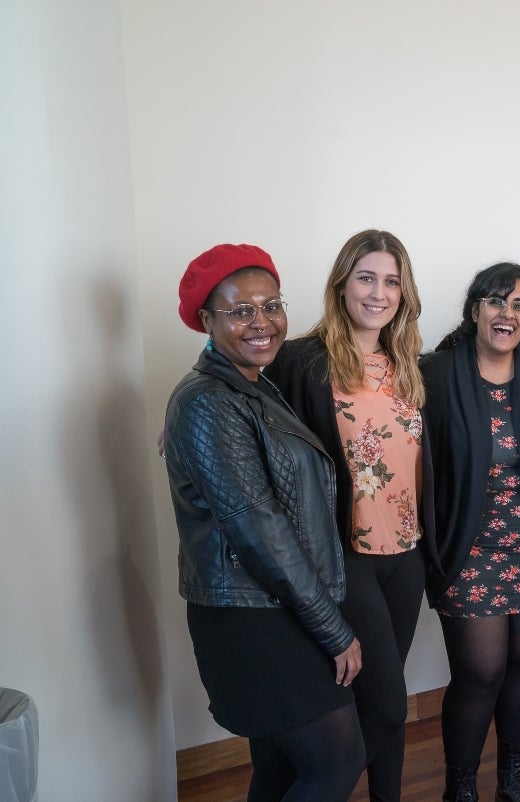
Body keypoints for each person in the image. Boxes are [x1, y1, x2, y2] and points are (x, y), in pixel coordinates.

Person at [164, 243, 364, 802]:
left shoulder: (252, 386)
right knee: (336, 764)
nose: (261, 322)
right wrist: (333, 628)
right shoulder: (207, 401)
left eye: (270, 305)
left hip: (278, 606)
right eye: (240, 310)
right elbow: (260, 530)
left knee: (280, 771)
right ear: (206, 320)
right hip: (254, 619)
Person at [265, 229, 426, 801]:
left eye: (391, 281)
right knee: (381, 706)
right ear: (341, 283)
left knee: (389, 699)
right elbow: (235, 369)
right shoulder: (302, 359)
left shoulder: (408, 363)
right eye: (366, 277)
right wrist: (182, 408)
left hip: (406, 556)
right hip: (345, 555)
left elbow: (478, 347)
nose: (378, 292)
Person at [421, 263, 520, 802]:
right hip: (468, 549)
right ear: (475, 309)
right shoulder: (436, 373)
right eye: (496, 301)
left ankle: (512, 777)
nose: (507, 313)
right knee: (479, 673)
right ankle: (460, 786)